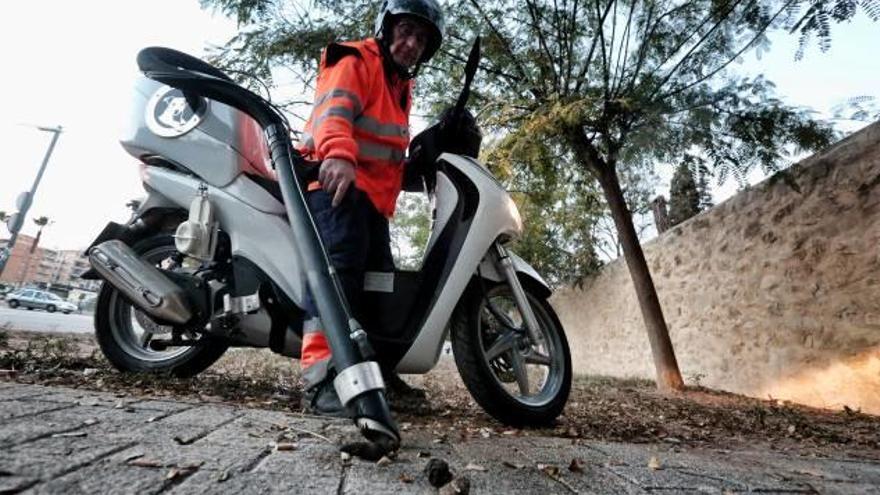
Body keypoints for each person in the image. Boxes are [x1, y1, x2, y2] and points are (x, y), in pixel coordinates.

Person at [296, 0, 444, 416]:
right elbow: (333, 111)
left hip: (373, 202)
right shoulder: (355, 57)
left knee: (381, 287)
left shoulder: (401, 87)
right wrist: (338, 155)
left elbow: (386, 154)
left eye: (421, 38)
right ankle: (322, 378)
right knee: (338, 274)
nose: (411, 43)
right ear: (386, 27)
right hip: (335, 183)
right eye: (406, 30)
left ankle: (375, 373)